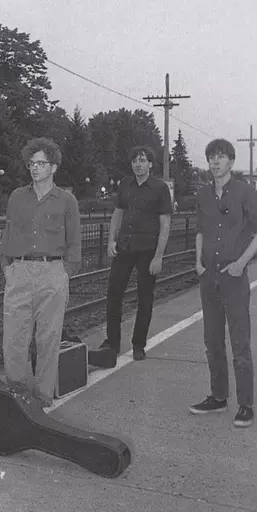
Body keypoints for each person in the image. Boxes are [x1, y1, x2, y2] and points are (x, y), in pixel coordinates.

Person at [189, 139, 257, 428]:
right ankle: (218, 397)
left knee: (240, 342)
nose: (215, 161)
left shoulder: (245, 192)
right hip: (208, 277)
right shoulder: (203, 195)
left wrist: (241, 262)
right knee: (212, 340)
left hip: (234, 278)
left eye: (221, 157)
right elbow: (200, 231)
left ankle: (245, 405)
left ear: (231, 162)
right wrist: (198, 263)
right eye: (211, 157)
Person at [0, 137, 81, 407]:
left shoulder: (67, 201)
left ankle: (43, 396)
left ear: (53, 167)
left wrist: (64, 273)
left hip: (52, 272)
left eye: (41, 164)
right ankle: (18, 393)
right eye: (31, 164)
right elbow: (8, 232)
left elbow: (74, 242)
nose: (35, 168)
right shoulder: (17, 197)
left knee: (48, 338)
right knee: (14, 339)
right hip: (20, 271)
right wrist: (8, 268)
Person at [88, 145, 172, 367]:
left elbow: (165, 223)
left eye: (142, 160)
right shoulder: (125, 184)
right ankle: (112, 343)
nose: (138, 165)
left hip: (148, 250)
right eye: (135, 161)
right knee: (114, 294)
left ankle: (138, 345)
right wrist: (111, 240)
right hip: (125, 247)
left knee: (145, 298)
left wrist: (159, 256)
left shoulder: (160, 188)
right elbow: (118, 214)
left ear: (150, 164)